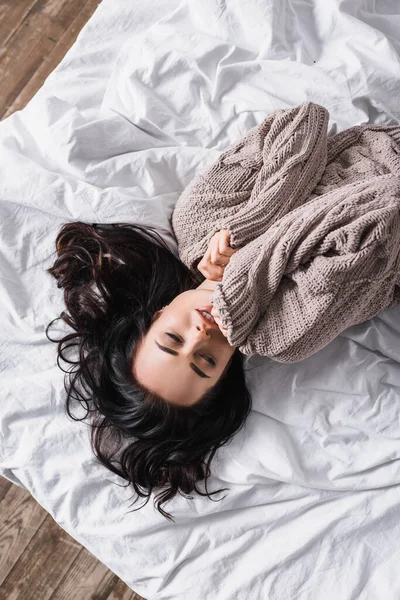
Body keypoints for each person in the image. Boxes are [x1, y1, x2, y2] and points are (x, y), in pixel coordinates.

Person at [46, 100, 400, 521]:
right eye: (204, 363)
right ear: (225, 370)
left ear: (157, 315)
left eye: (173, 339)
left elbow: (305, 119)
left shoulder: (197, 221)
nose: (200, 334)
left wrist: (243, 226)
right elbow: (382, 210)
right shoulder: (286, 332)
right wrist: (242, 274)